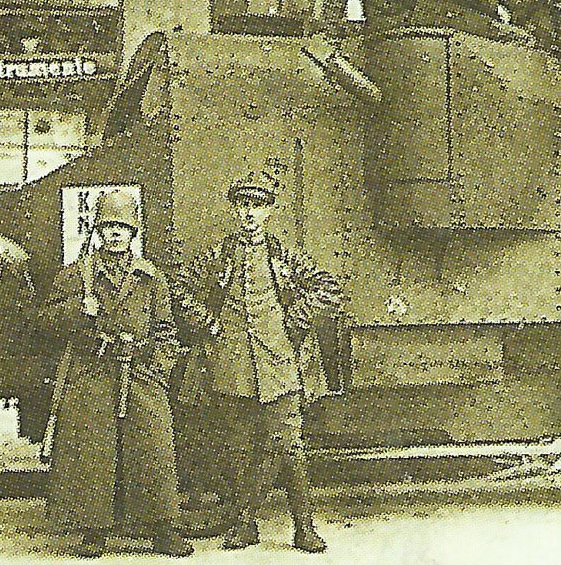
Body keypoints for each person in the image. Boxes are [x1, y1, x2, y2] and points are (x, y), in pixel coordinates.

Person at [174, 171, 342, 553]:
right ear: (235, 210)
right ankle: (245, 524)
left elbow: (328, 288)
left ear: (269, 211)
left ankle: (304, 527)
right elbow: (179, 289)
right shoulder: (219, 256)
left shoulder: (283, 256)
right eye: (244, 205)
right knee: (239, 446)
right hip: (232, 365)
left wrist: (293, 320)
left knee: (289, 443)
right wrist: (207, 323)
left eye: (259, 206)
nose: (250, 213)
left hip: (278, 362)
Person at [37, 190, 192, 559]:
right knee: (94, 452)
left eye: (123, 227)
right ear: (98, 230)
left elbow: (166, 330)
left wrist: (158, 366)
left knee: (154, 446)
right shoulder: (79, 274)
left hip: (140, 370)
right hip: (94, 369)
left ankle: (164, 529)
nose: (116, 234)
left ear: (134, 232)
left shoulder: (150, 277)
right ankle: (94, 530)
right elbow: (43, 321)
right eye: (108, 227)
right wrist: (78, 308)